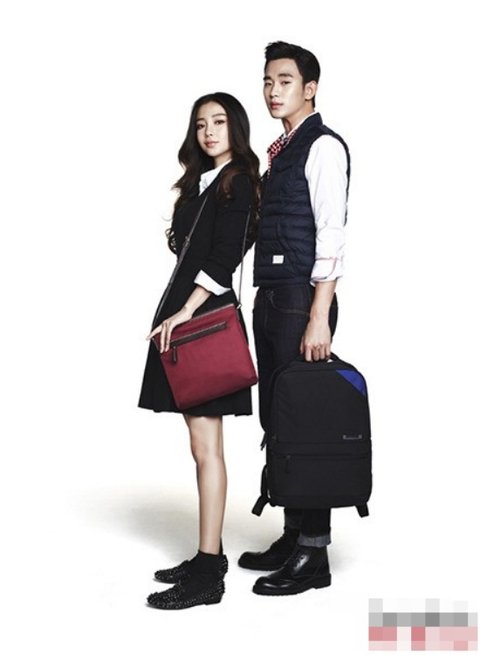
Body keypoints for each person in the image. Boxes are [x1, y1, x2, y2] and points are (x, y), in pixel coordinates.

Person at [139, 92, 260, 610]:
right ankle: (207, 557)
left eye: (219, 122)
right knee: (200, 446)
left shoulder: (239, 182)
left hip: (203, 320)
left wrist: (186, 311)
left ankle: (209, 573)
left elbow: (225, 257)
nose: (209, 131)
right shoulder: (204, 182)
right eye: (201, 124)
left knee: (207, 448)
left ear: (236, 128)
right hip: (187, 315)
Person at [238, 41, 351, 596]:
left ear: (310, 88)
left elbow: (331, 234)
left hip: (301, 301)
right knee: (279, 420)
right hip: (274, 295)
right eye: (267, 81)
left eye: (284, 80)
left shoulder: (322, 146)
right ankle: (292, 535)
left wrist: (318, 316)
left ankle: (313, 554)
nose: (273, 90)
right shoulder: (280, 152)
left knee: (305, 423)